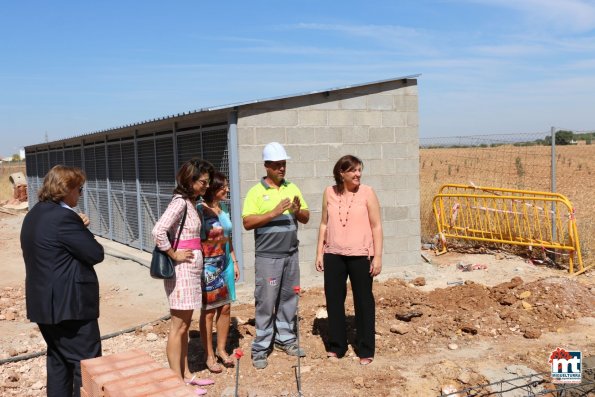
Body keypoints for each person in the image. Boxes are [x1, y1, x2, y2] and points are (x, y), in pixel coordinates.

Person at [21, 165, 104, 397]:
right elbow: (95, 253)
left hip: (45, 306)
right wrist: (81, 226)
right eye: (79, 189)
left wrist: (78, 224)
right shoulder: (64, 218)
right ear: (66, 189)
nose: (80, 194)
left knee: (58, 361)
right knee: (86, 365)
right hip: (71, 308)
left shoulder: (34, 213)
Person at [242, 142, 310, 369]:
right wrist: (274, 212)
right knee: (266, 301)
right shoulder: (256, 192)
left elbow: (306, 217)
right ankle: (261, 347)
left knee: (289, 298)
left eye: (284, 164)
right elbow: (247, 222)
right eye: (277, 165)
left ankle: (285, 339)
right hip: (268, 257)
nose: (282, 168)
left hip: (291, 255)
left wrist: (297, 210)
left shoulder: (292, 187)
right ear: (267, 166)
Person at [152, 159, 215, 390]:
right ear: (190, 180)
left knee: (185, 327)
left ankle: (186, 374)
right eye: (203, 182)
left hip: (190, 272)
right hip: (181, 272)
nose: (206, 186)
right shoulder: (179, 202)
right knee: (178, 327)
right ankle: (176, 382)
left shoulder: (191, 203)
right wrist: (174, 254)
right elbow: (158, 230)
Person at [315, 155, 383, 366]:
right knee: (334, 300)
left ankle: (365, 348)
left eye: (359, 170)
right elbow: (324, 224)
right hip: (333, 253)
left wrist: (378, 256)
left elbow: (376, 226)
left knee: (363, 301)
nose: (358, 174)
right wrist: (319, 252)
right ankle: (337, 345)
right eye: (353, 170)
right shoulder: (329, 192)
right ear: (341, 173)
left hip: (361, 254)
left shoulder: (368, 193)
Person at [197, 172, 240, 373]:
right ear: (214, 188)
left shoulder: (221, 208)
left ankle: (221, 350)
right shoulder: (200, 210)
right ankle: (209, 355)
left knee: (225, 308)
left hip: (226, 264)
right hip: (209, 265)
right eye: (224, 186)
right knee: (208, 311)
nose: (228, 190)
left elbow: (227, 237)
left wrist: (234, 260)